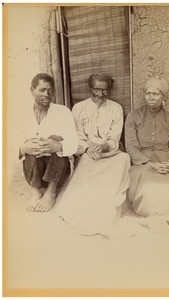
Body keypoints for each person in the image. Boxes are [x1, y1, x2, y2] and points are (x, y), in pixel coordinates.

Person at [55, 74, 131, 237]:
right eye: (97, 89)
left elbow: (114, 137)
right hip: (88, 153)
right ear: (90, 88)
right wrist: (89, 149)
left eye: (105, 90)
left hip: (109, 152)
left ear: (109, 90)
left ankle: (106, 202)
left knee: (124, 159)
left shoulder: (116, 108)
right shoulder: (79, 108)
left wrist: (102, 147)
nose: (101, 94)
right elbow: (77, 136)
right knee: (86, 162)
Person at [125, 77, 169, 232]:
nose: (151, 97)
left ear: (164, 96)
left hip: (166, 162)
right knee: (149, 185)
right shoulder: (133, 116)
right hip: (142, 163)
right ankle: (154, 215)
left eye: (155, 94)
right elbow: (131, 146)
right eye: (148, 93)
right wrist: (150, 164)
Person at [19, 73, 78, 212]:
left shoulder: (63, 112)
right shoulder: (22, 113)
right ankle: (36, 192)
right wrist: (24, 148)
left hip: (57, 174)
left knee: (54, 138)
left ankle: (50, 194)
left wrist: (57, 146)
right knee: (32, 142)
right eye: (42, 90)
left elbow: (75, 143)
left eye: (50, 90)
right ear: (32, 90)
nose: (47, 94)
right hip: (33, 173)